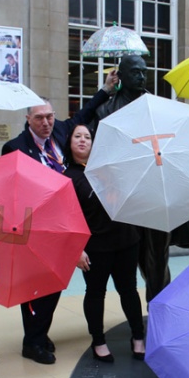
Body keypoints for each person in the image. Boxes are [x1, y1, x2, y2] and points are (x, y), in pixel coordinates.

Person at [1, 71, 117, 364]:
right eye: (39, 118)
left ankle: (39, 333)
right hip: (34, 224)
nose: (46, 122)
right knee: (35, 285)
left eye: (50, 116)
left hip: (63, 223)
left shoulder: (62, 133)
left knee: (55, 283)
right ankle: (33, 341)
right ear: (28, 119)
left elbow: (87, 112)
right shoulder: (15, 148)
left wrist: (105, 88)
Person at [91, 55, 171, 305]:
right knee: (133, 257)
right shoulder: (106, 110)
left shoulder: (157, 108)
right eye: (135, 72)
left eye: (144, 72)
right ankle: (139, 313)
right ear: (121, 76)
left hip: (155, 190)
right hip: (123, 193)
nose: (141, 76)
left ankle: (160, 305)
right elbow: (100, 153)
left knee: (158, 255)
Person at [64, 124, 146, 362]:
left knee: (129, 290)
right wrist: (76, 249)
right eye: (77, 137)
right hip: (94, 247)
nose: (82, 141)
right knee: (95, 293)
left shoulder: (108, 168)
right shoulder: (69, 177)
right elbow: (67, 217)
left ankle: (138, 336)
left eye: (87, 137)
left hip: (126, 240)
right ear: (69, 143)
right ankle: (98, 340)